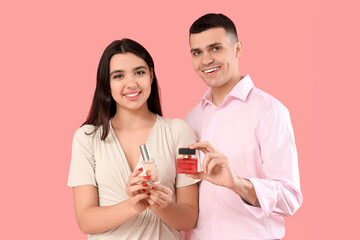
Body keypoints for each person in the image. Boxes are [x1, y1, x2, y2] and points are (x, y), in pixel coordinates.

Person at [185, 13, 303, 239]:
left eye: (215, 48)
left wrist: (238, 184)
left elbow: (290, 198)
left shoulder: (270, 112)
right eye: (197, 52)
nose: (206, 60)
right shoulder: (191, 119)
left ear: (237, 49)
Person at [67, 38, 199, 240]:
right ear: (107, 84)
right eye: (118, 76)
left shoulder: (181, 132)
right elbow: (86, 221)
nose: (131, 83)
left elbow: (189, 217)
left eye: (139, 72)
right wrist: (132, 205)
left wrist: (162, 207)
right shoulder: (86, 139)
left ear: (151, 75)